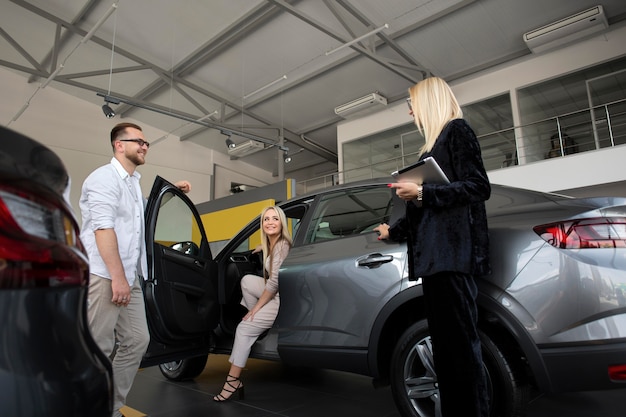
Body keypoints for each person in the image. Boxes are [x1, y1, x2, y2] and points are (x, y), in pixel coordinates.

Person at [375, 77, 491, 417]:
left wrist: (424, 192)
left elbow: (478, 186)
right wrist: (391, 231)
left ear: (429, 101)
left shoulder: (457, 131)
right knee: (447, 353)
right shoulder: (429, 150)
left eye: (412, 103)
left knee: (461, 352)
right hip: (436, 262)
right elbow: (423, 216)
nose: (410, 111)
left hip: (452, 259)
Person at [79, 122, 191, 417]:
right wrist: (117, 278)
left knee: (138, 340)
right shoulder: (102, 179)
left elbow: (143, 211)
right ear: (119, 144)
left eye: (146, 143)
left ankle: (109, 407)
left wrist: (169, 193)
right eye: (138, 141)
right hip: (105, 275)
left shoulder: (131, 183)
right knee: (98, 349)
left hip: (129, 277)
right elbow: (103, 229)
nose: (144, 146)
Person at [213, 205, 292, 402]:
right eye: (266, 219)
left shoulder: (282, 245)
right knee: (247, 281)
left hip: (281, 298)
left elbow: (273, 283)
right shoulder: (273, 244)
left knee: (243, 329)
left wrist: (256, 308)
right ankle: (258, 323)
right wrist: (261, 248)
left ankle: (233, 381)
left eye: (275, 218)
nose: (270, 222)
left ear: (281, 222)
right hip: (275, 293)